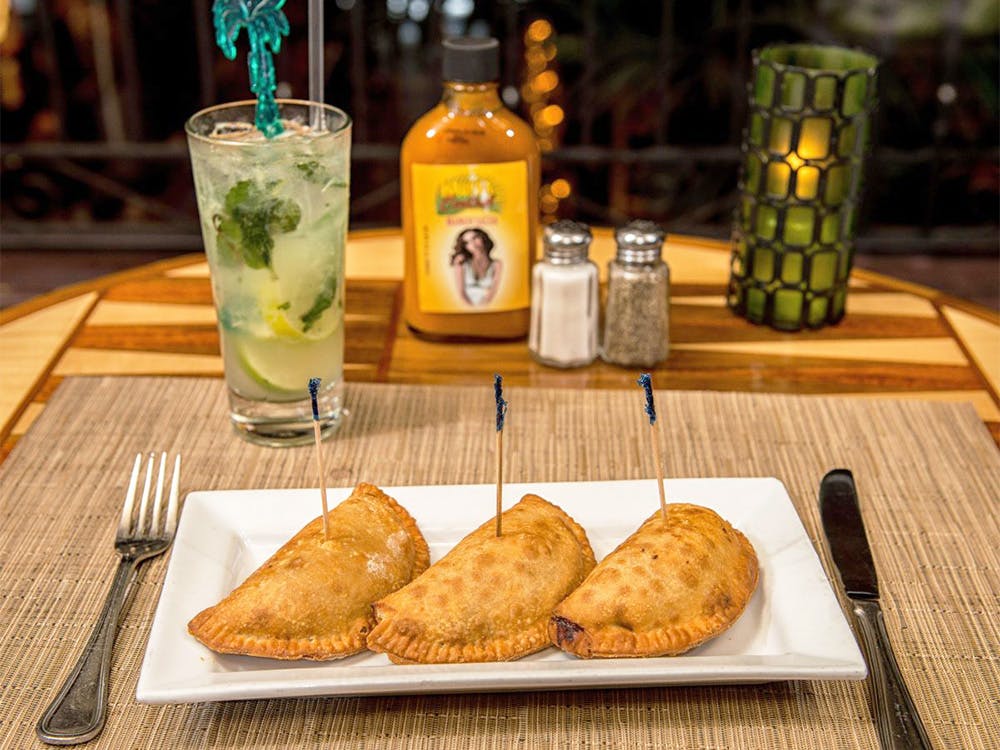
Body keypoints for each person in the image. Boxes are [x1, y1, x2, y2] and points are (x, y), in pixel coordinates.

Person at [449, 227, 503, 306]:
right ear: (465, 247)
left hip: (488, 307)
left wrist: (482, 307)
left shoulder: (497, 264)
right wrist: (472, 308)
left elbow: (493, 292)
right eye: (467, 242)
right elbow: (461, 293)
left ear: (483, 238)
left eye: (475, 238)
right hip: (465, 308)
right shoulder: (461, 263)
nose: (472, 244)